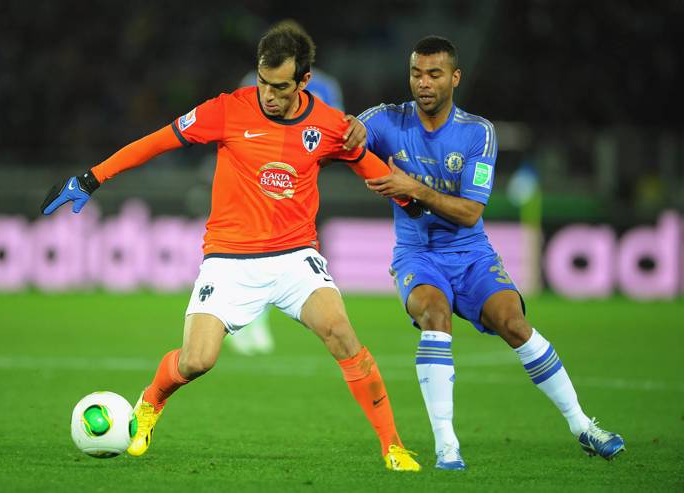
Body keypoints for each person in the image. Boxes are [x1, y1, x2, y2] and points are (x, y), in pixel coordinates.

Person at [40, 23, 420, 472]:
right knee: (197, 360)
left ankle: (393, 447)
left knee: (342, 334)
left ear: (304, 82)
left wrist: (412, 199)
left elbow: (378, 174)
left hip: (295, 257)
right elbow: (158, 141)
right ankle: (150, 402)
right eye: (263, 83)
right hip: (228, 259)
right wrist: (93, 176)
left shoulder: (330, 126)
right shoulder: (226, 110)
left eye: (280, 87)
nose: (269, 95)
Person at [354, 35, 625, 470]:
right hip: (417, 254)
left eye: (434, 74)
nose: (423, 83)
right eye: (416, 73)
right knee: (434, 316)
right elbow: (348, 132)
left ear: (455, 78)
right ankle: (447, 446)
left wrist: (413, 187)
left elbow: (469, 212)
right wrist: (337, 131)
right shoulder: (387, 119)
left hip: (470, 253)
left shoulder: (478, 133)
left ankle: (581, 426)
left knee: (514, 324)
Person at [232, 20, 347, 357]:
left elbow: (335, 136)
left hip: (302, 189)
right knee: (258, 252)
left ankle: (256, 316)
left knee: (293, 252)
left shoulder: (326, 86)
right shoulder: (250, 82)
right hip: (259, 186)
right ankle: (247, 317)